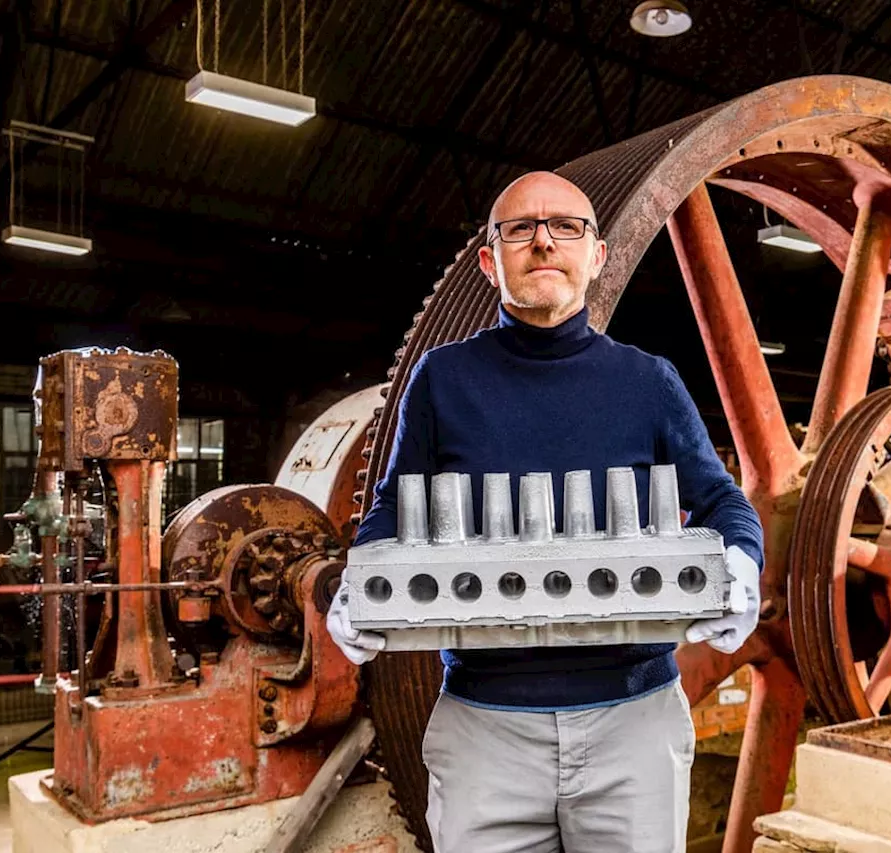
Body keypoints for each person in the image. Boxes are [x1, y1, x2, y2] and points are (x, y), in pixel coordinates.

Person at [327, 171, 763, 853]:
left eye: (565, 226)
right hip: (485, 729)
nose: (542, 242)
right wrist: (359, 581)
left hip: (633, 726)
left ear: (596, 255)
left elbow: (721, 499)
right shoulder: (443, 379)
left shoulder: (649, 381)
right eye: (519, 229)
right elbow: (394, 507)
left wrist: (742, 561)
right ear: (488, 260)